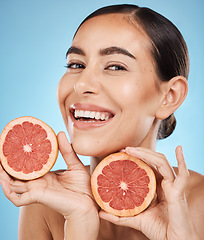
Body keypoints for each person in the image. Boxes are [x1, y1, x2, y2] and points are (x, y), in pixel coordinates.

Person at [0, 4, 203, 240]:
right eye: (76, 65)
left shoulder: (200, 203)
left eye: (116, 66)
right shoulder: (44, 202)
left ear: (169, 96)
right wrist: (79, 221)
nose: (81, 84)